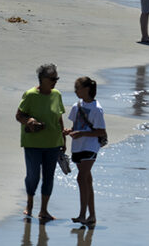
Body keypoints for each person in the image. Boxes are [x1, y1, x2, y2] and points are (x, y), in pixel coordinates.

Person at [15, 63, 65, 223]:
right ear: (42, 79)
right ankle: (29, 204)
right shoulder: (30, 95)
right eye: (52, 79)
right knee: (33, 175)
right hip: (33, 143)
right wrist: (29, 120)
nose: (55, 81)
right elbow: (18, 116)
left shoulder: (56, 94)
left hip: (53, 143)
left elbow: (59, 117)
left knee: (49, 177)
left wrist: (63, 139)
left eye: (56, 78)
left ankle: (44, 210)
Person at [65, 77, 106, 227]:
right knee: (87, 180)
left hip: (90, 146)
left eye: (78, 87)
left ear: (87, 89)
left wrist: (82, 134)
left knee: (81, 178)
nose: (75, 90)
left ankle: (82, 214)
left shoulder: (97, 108)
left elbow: (101, 131)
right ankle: (92, 215)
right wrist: (69, 131)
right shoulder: (76, 106)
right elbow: (76, 126)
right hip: (77, 146)